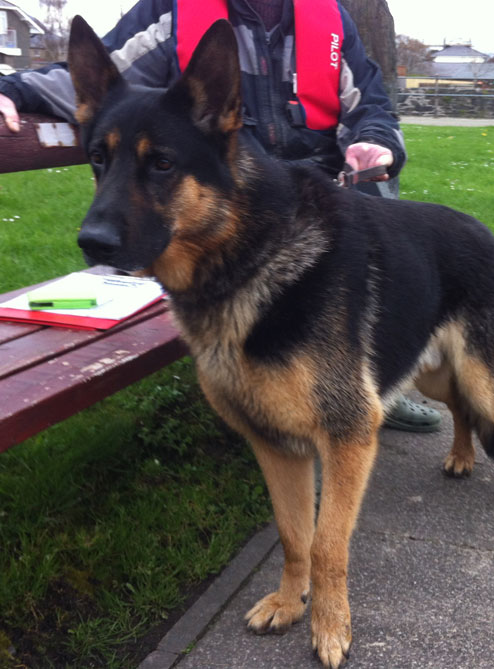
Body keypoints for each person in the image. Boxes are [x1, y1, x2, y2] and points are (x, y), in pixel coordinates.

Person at [0, 0, 440, 432]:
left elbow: (370, 104)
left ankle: (367, 379)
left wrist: (376, 141)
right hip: (240, 197)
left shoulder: (330, 18)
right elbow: (103, 77)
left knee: (375, 219)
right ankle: (269, 395)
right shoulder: (171, 11)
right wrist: (11, 89)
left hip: (321, 195)